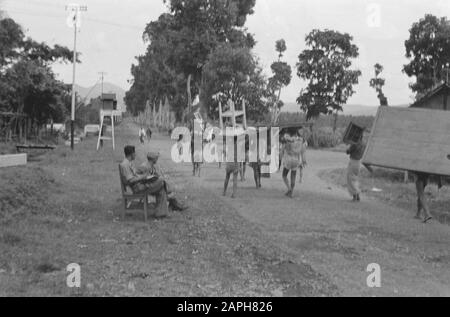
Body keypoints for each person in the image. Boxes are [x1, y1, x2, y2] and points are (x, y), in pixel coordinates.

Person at [119, 146, 169, 219]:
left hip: (139, 185)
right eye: (134, 153)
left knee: (161, 188)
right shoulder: (125, 165)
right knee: (161, 181)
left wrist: (145, 177)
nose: (135, 155)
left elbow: (134, 176)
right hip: (137, 188)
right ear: (131, 154)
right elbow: (131, 180)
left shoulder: (127, 163)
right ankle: (160, 213)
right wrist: (143, 177)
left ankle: (160, 213)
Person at [281, 129, 304, 198]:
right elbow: (302, 150)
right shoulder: (301, 140)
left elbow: (284, 147)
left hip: (289, 158)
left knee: (284, 175)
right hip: (296, 159)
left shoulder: (288, 139)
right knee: (293, 176)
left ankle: (289, 189)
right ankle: (291, 192)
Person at [346, 134, 365, 202]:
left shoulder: (355, 144)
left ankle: (355, 195)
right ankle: (357, 195)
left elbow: (348, 152)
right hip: (358, 162)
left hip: (353, 161)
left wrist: (348, 146)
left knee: (350, 179)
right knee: (354, 179)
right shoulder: (363, 144)